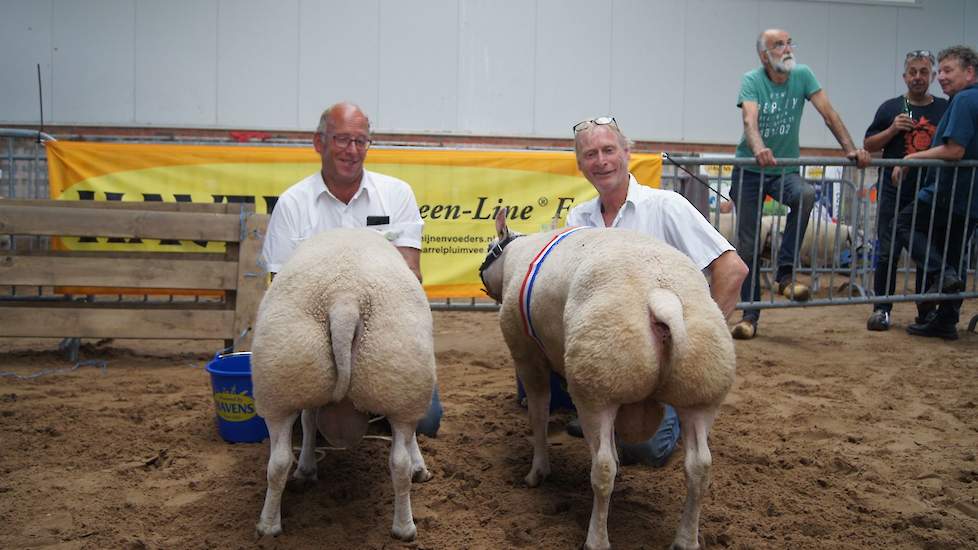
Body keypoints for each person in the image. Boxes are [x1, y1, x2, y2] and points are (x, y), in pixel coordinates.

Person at [562, 116, 748, 467]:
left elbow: (732, 270)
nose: (601, 161)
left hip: (664, 360)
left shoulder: (666, 207)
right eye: (590, 154)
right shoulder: (578, 220)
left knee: (641, 449)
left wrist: (698, 340)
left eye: (608, 150)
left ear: (627, 153)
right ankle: (603, 409)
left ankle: (662, 414)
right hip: (609, 358)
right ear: (580, 165)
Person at [260, 101, 442, 436]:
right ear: (320, 143)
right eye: (342, 140)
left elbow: (410, 275)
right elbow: (281, 288)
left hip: (381, 331)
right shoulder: (293, 204)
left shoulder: (396, 194)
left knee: (427, 421)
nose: (352, 150)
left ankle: (368, 403)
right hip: (314, 332)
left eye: (360, 141)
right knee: (285, 411)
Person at [730, 28, 871, 340]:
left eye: (789, 42)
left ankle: (784, 274)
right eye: (778, 44)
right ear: (763, 55)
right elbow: (749, 121)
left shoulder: (803, 75)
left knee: (805, 194)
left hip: (784, 170)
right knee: (749, 244)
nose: (787, 48)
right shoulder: (752, 80)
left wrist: (850, 148)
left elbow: (829, 114)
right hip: (751, 169)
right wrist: (758, 149)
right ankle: (750, 317)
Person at [892, 45, 978, 341]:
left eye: (948, 70)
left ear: (969, 72)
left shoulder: (965, 100)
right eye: (939, 71)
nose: (941, 77)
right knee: (955, 253)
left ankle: (939, 273)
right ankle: (946, 320)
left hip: (948, 191)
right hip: (970, 197)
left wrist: (912, 159)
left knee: (903, 224)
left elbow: (955, 149)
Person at [863, 50, 949, 331]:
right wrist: (891, 130)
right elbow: (869, 145)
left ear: (933, 76)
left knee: (927, 250)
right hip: (893, 191)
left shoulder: (945, 108)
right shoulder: (890, 108)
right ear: (904, 76)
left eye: (924, 72)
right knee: (888, 250)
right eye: (913, 72)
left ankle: (926, 312)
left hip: (930, 193)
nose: (918, 77)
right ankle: (882, 309)